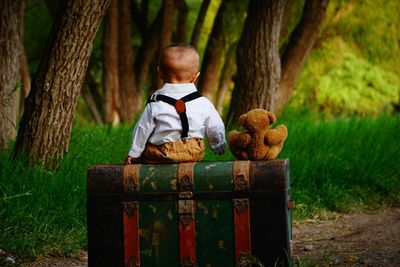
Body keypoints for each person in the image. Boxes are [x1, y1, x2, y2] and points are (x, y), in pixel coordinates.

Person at [124, 44, 226, 164]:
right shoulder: (203, 102)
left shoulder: (156, 102)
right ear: (195, 77)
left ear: (160, 73)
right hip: (193, 152)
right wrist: (218, 145)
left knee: (146, 152)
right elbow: (215, 126)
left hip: (163, 152)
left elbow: (143, 128)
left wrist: (135, 152)